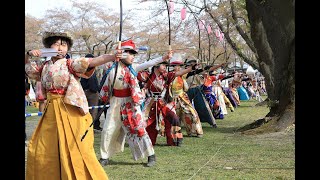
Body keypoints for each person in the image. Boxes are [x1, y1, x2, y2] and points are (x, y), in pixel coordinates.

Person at [25, 31, 116, 179]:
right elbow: (27, 67)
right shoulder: (44, 66)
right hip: (50, 112)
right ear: (48, 47)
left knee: (75, 148)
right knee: (41, 148)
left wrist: (112, 56)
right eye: (56, 44)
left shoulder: (70, 64)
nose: (60, 48)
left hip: (69, 110)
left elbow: (92, 61)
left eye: (64, 45)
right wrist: (29, 53)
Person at [98, 39, 173, 167]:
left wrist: (163, 57)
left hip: (130, 103)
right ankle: (104, 157)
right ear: (123, 53)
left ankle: (151, 155)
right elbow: (102, 72)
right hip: (115, 102)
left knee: (139, 128)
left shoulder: (133, 67)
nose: (133, 57)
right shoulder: (111, 68)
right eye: (130, 53)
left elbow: (149, 63)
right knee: (108, 129)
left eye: (134, 54)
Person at [142, 61, 183, 147]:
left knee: (173, 118)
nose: (165, 67)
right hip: (151, 103)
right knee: (148, 123)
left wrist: (191, 69)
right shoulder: (147, 75)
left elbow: (177, 73)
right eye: (163, 65)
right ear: (156, 66)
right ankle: (148, 142)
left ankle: (175, 140)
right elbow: (137, 71)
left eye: (165, 65)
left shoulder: (165, 76)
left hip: (163, 102)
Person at [185, 58, 226, 128]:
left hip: (197, 90)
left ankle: (212, 122)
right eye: (192, 64)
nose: (195, 66)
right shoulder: (186, 73)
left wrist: (219, 65)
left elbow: (208, 69)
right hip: (188, 91)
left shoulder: (197, 72)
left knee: (204, 106)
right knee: (185, 106)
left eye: (194, 64)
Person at [167, 59, 203, 137]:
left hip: (183, 97)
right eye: (177, 66)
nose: (179, 68)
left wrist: (195, 67)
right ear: (173, 67)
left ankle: (196, 131)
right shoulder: (170, 75)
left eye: (180, 66)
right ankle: (173, 133)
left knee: (192, 113)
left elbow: (191, 72)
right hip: (173, 98)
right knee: (174, 116)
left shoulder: (182, 75)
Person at [80, 53, 101, 130]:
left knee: (93, 112)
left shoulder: (93, 70)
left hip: (90, 92)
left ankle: (89, 127)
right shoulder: (82, 69)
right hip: (88, 92)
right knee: (88, 111)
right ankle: (86, 128)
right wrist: (95, 90)